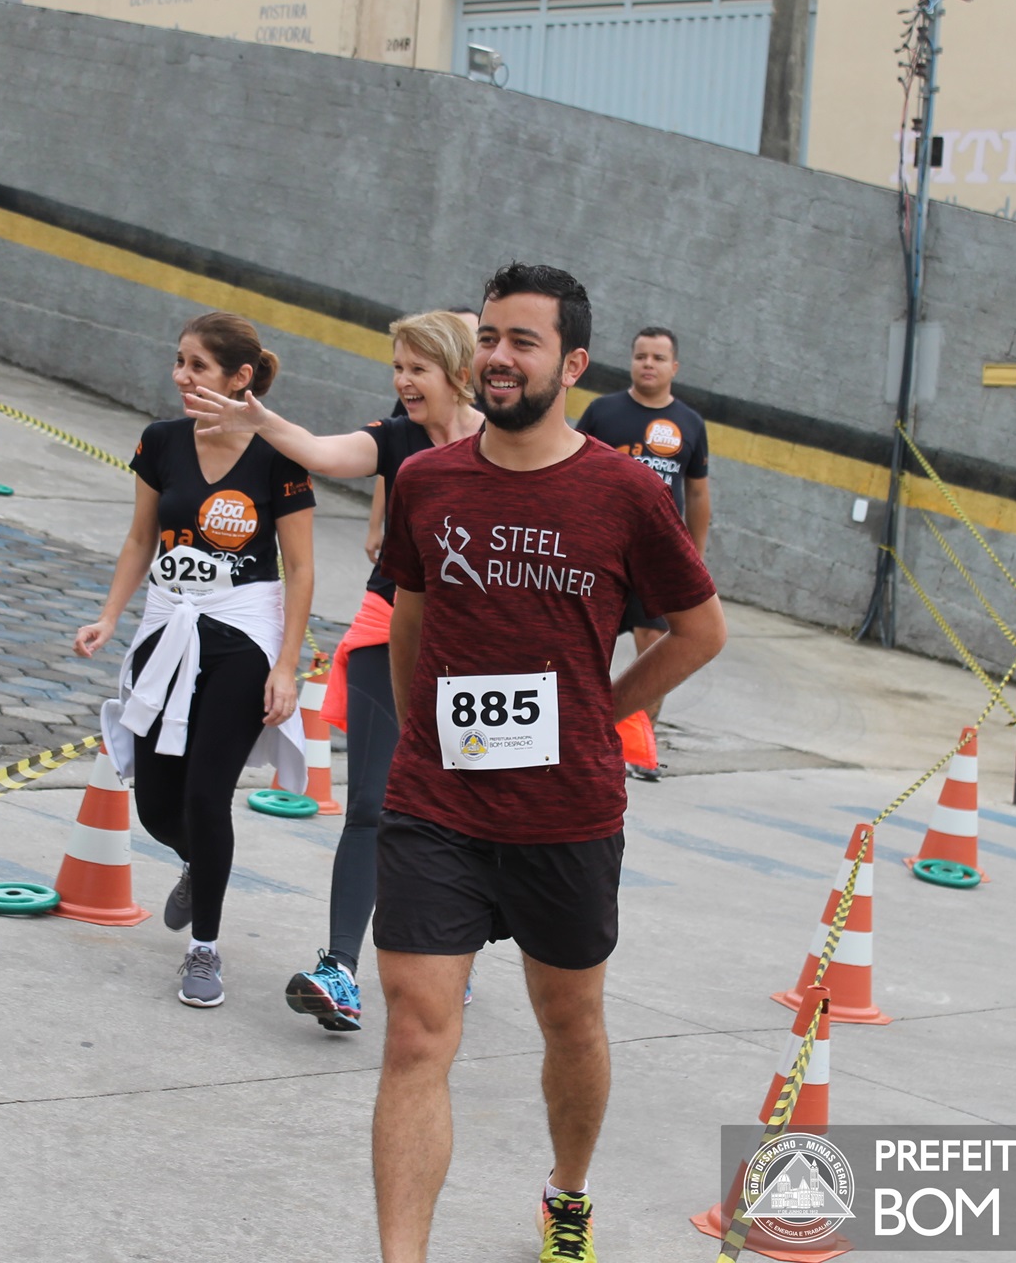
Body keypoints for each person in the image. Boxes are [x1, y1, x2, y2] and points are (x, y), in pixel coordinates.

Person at [370, 264, 725, 1263]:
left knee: (570, 1021)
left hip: (566, 810)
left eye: (522, 341)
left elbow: (701, 629)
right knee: (416, 1030)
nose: (498, 356)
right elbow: (409, 618)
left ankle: (568, 1192)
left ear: (571, 364)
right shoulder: (428, 480)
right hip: (436, 803)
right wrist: (420, 733)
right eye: (488, 336)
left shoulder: (623, 491)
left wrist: (600, 715)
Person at [184, 310, 482, 1033]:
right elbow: (322, 451)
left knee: (463, 811)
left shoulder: (504, 439)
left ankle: (453, 951)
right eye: (397, 367)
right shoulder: (397, 438)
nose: (403, 381)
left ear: (456, 372)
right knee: (373, 804)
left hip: (476, 647)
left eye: (417, 368)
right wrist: (260, 420)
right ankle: (340, 971)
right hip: (390, 624)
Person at [75, 312, 315, 1008]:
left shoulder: (279, 452)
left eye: (198, 366)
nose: (181, 376)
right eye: (179, 361)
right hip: (167, 628)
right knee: (156, 805)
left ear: (240, 379)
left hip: (243, 636)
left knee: (209, 797)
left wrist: (286, 666)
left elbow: (300, 568)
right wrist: (109, 616)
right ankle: (196, 861)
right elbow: (139, 539)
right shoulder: (161, 441)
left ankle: (203, 948)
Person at [573, 325, 710, 781]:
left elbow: (698, 494)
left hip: (655, 560)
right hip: (599, 554)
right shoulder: (603, 412)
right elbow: (571, 469)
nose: (647, 364)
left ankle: (638, 749)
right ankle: (578, 739)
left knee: (657, 647)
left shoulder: (691, 424)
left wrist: (694, 557)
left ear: (675, 367)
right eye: (640, 356)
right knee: (587, 647)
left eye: (657, 357)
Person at [368, 304, 478, 561]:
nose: (403, 380)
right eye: (399, 368)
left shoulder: (493, 414)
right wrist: (374, 526)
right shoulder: (411, 408)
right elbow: (389, 462)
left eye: (476, 334)